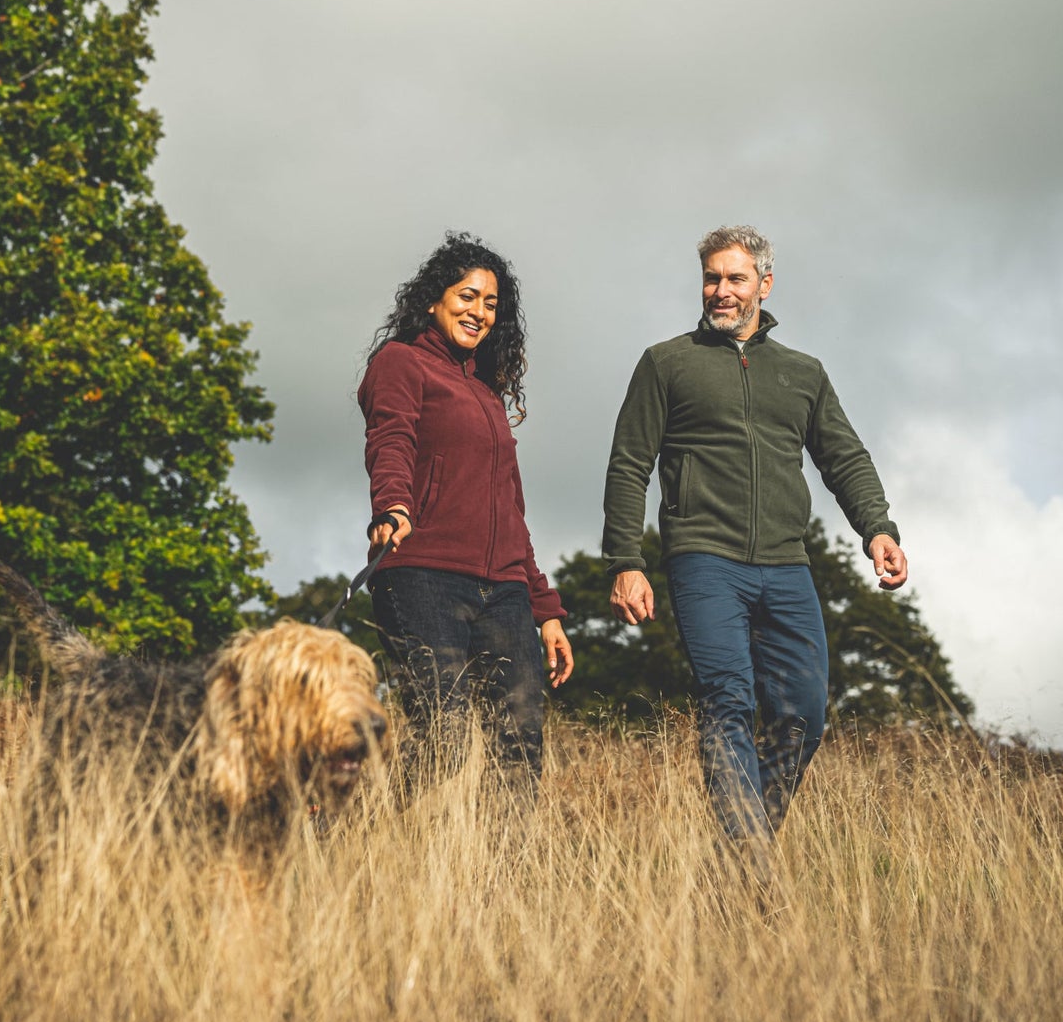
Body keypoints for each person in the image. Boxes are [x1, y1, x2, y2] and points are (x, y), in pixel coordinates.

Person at [602, 225, 906, 844]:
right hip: (703, 559)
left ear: (764, 285)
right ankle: (747, 861)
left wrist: (877, 528)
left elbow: (844, 457)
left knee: (805, 717)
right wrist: (625, 561)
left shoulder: (803, 373)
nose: (721, 290)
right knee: (729, 701)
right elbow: (629, 462)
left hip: (788, 565)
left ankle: (741, 847)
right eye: (711, 278)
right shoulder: (667, 363)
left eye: (735, 278)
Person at [359, 233, 574, 792]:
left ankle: (505, 879)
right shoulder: (400, 362)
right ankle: (341, 832)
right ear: (434, 298)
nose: (478, 311)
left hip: (503, 591)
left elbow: (511, 506)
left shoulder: (486, 392)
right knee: (444, 735)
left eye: (490, 304)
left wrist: (545, 608)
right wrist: (393, 504)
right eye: (467, 296)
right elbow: (391, 436)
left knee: (520, 745)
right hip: (423, 574)